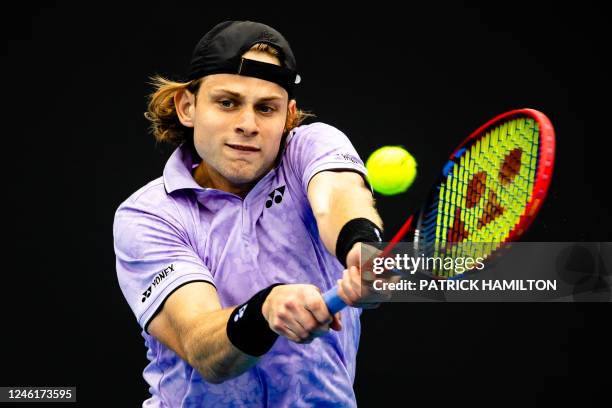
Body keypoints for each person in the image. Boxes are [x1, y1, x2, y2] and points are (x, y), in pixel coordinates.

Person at [113, 20, 389, 407]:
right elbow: (203, 347)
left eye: (266, 109)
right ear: (187, 107)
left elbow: (337, 198)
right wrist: (265, 310)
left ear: (289, 117)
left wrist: (360, 246)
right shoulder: (149, 214)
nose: (247, 125)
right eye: (227, 103)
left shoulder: (310, 148)